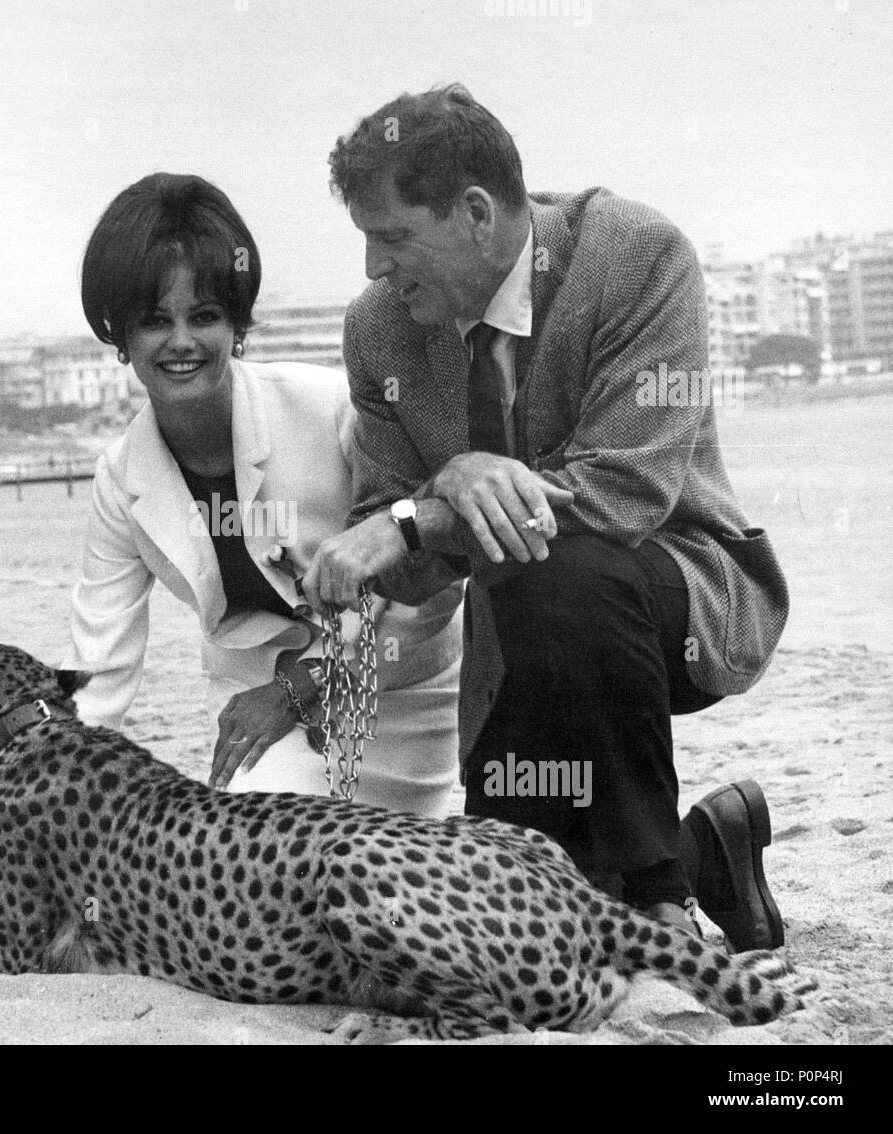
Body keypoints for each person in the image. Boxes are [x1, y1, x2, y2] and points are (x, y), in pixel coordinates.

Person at [301, 84, 786, 951]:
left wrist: (437, 502)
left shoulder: (637, 256)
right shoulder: (377, 331)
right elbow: (398, 560)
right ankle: (705, 849)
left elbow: (625, 491)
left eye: (393, 237)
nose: (374, 267)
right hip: (513, 638)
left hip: (674, 588)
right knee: (522, 900)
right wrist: (425, 511)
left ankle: (659, 897)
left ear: (476, 213)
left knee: (560, 569)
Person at [64, 172, 465, 818]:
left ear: (237, 326)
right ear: (119, 335)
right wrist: (53, 773)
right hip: (255, 715)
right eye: (154, 321)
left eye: (204, 316)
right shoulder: (118, 478)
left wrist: (300, 687)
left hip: (395, 689)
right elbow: (98, 666)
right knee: (244, 848)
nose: (181, 342)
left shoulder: (328, 407)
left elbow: (436, 579)